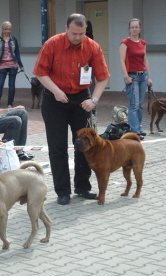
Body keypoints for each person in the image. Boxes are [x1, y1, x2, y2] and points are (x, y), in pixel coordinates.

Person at [33, 13, 110, 205]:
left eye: (81, 33)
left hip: (82, 99)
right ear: (66, 28)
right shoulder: (52, 44)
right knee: (57, 147)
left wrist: (94, 99)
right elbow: (40, 72)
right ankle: (62, 191)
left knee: (85, 145)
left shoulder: (92, 47)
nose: (77, 37)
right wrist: (56, 91)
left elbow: (103, 77)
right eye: (74, 33)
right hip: (54, 99)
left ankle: (82, 187)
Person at [119, 18, 152, 138]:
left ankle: (138, 127)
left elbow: (145, 60)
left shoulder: (143, 43)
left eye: (136, 27)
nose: (134, 29)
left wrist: (149, 77)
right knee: (134, 105)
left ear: (140, 28)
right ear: (129, 29)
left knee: (140, 105)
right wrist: (125, 76)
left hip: (143, 76)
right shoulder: (125, 43)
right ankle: (135, 131)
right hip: (132, 77)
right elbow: (122, 61)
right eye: (132, 27)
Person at [0, 21, 23, 109]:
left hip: (13, 65)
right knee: (0, 85)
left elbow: (17, 52)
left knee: (11, 85)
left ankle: (10, 104)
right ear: (2, 29)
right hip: (2, 64)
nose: (7, 31)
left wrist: (20, 64)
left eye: (9, 29)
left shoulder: (14, 39)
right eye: (6, 29)